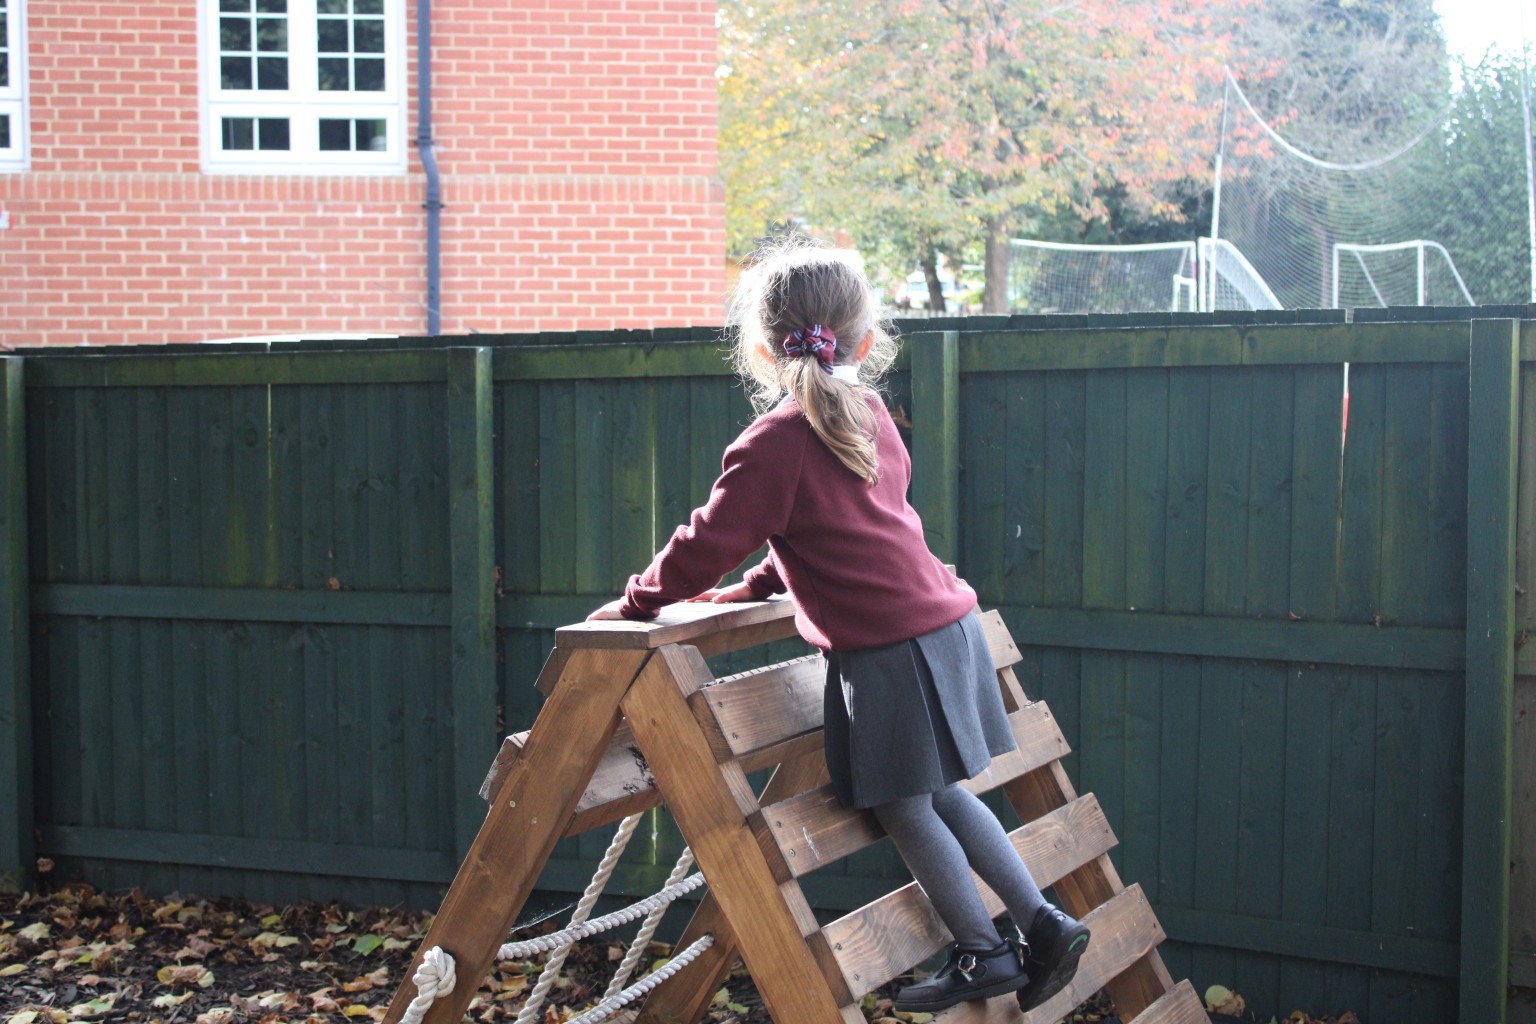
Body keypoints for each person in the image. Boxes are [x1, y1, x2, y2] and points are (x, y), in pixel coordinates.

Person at [587, 239, 1089, 1013]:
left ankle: (985, 951)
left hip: (891, 651)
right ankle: (1045, 923)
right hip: (945, 628)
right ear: (864, 339)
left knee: (903, 806)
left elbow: (702, 545)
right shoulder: (868, 411)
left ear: (758, 349)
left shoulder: (775, 440)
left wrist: (635, 605)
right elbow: (842, 526)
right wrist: (756, 585)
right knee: (945, 794)